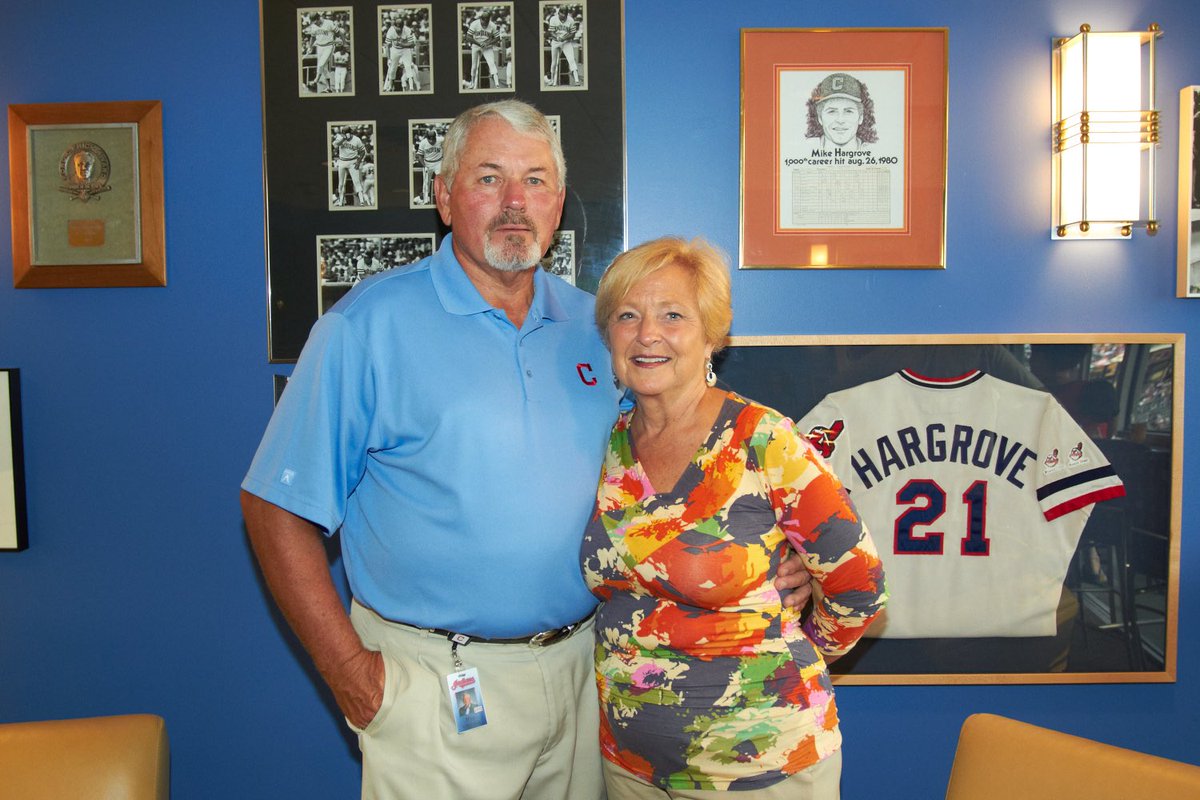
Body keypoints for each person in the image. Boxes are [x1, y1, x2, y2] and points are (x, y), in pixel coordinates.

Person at [242, 100, 812, 800]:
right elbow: (274, 506)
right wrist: (350, 673)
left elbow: (675, 458)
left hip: (584, 675)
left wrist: (780, 543)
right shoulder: (367, 327)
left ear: (559, 201)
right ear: (444, 196)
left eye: (536, 181)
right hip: (436, 687)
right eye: (489, 178)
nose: (516, 203)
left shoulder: (597, 327)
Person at [582, 236, 887, 799]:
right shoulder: (607, 443)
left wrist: (794, 639)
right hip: (630, 767)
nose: (648, 334)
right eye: (628, 316)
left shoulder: (763, 439)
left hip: (761, 770)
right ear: (610, 336)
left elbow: (859, 583)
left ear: (712, 338)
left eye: (673, 315)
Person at [805, 72, 878, 149]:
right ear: (820, 118)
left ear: (860, 117)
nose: (840, 120)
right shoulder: (806, 149)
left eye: (848, 111)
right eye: (832, 111)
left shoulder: (876, 151)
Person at [545, 5, 582, 86]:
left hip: (566, 42)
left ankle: (576, 80)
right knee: (554, 62)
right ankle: (551, 80)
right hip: (555, 41)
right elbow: (551, 32)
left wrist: (564, 38)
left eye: (565, 15)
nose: (564, 17)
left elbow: (572, 34)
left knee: (571, 59)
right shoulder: (553, 19)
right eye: (562, 15)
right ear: (559, 13)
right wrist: (557, 37)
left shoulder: (571, 20)